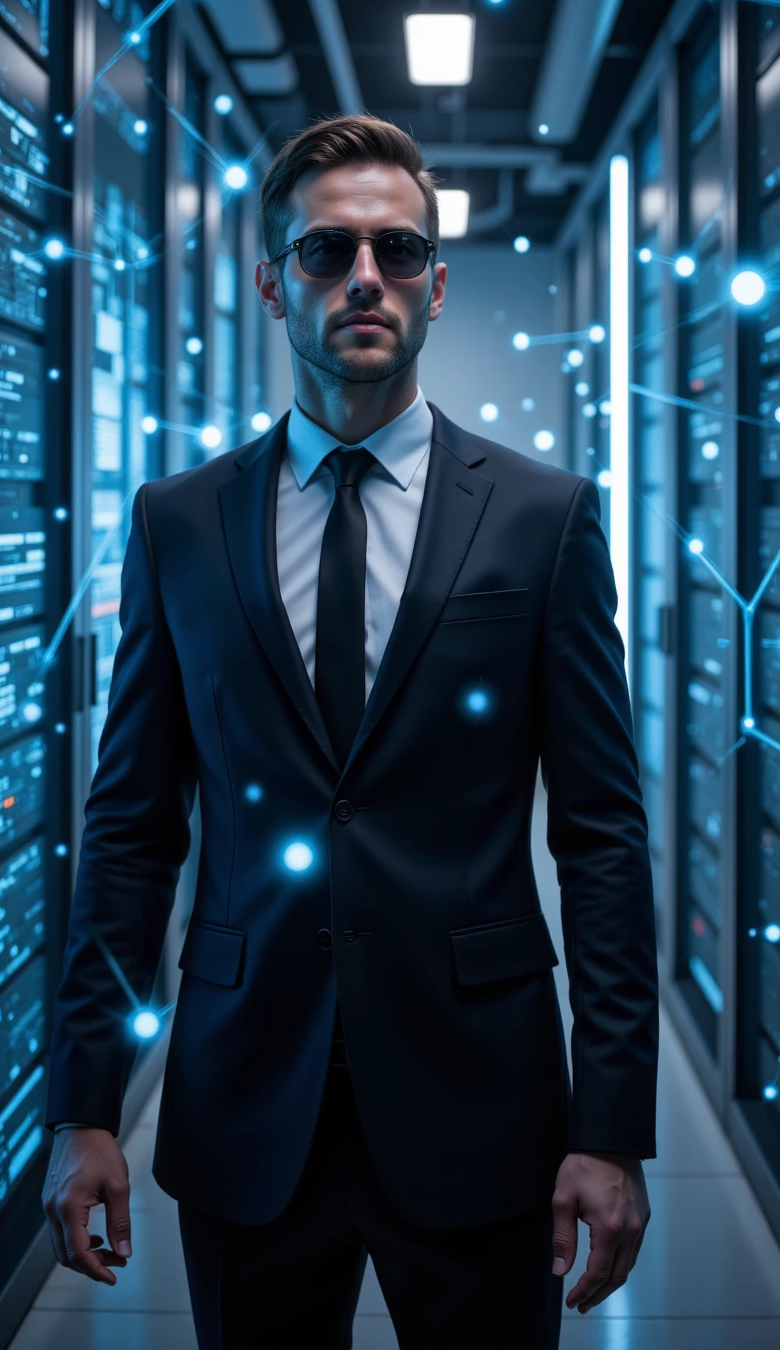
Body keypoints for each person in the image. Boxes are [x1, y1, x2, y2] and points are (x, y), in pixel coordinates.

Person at [41, 113, 659, 1350]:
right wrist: (85, 1104)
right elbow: (129, 827)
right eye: (327, 251)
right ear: (272, 282)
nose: (363, 277)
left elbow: (601, 836)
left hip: (479, 1094)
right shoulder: (178, 522)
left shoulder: (543, 520)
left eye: (396, 249)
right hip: (245, 1092)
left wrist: (609, 1125)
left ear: (437, 279)